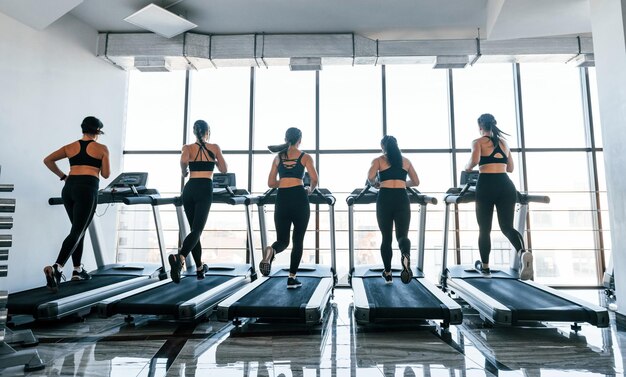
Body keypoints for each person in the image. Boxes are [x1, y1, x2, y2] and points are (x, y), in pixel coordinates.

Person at [42, 116, 110, 292]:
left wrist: (63, 176)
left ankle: (77, 270)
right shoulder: (101, 148)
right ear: (97, 132)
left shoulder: (70, 147)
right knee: (78, 231)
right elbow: (106, 174)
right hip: (87, 188)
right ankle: (57, 268)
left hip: (69, 188)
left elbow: (47, 160)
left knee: (77, 229)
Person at [465, 113, 532, 280]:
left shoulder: (478, 142)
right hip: (506, 185)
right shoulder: (504, 143)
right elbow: (510, 168)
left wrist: (467, 167)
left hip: (486, 184)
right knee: (507, 227)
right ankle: (523, 252)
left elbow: (473, 162)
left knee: (484, 229)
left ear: (480, 127)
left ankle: (485, 268)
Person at [168, 120, 227, 283]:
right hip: (204, 188)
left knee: (195, 231)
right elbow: (224, 169)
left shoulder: (187, 148)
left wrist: (183, 171)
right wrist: (213, 161)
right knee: (197, 230)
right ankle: (179, 257)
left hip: (189, 188)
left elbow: (183, 162)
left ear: (195, 132)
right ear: (208, 131)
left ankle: (200, 268)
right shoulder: (214, 147)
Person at [259, 127, 318, 289]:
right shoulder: (305, 157)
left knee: (282, 241)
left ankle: (271, 250)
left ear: (286, 139)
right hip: (299, 197)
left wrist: (284, 182)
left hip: (282, 198)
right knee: (297, 241)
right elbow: (314, 179)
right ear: (300, 140)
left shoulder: (278, 158)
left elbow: (271, 183)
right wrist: (309, 189)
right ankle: (292, 278)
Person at [367, 135, 420, 284]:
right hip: (402, 198)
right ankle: (405, 255)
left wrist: (376, 182)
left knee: (386, 238)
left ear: (383, 147)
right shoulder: (406, 161)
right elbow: (416, 182)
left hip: (385, 198)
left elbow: (370, 177)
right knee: (402, 236)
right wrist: (402, 183)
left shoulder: (378, 160)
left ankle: (388, 273)